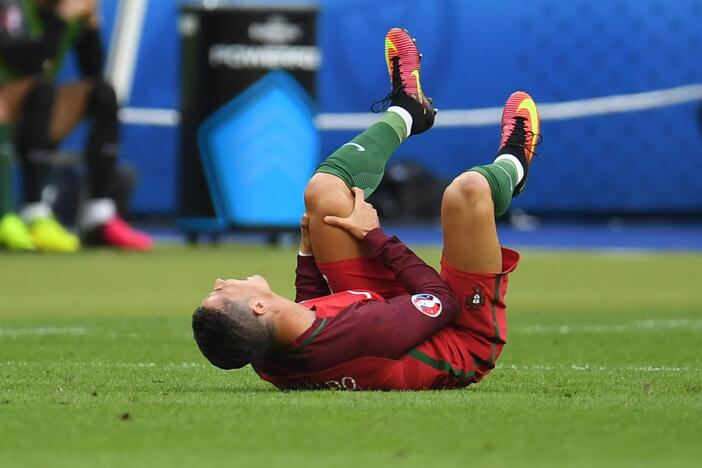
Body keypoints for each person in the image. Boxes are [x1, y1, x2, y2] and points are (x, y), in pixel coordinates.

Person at [191, 28, 541, 390]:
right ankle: (514, 165)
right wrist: (375, 237)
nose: (218, 283)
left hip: (388, 316)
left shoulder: (261, 351)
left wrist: (307, 252)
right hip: (458, 334)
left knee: (323, 193)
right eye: (220, 293)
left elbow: (309, 315)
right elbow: (444, 301)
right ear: (258, 308)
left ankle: (408, 111)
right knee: (466, 193)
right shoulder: (362, 331)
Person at [0, 0, 152, 252]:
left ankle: (99, 216)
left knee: (102, 93)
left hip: (34, 105)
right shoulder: (12, 5)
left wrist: (91, 24)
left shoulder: (65, 11)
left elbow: (92, 70)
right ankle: (34, 213)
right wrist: (60, 19)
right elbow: (28, 64)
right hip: (10, 100)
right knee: (41, 90)